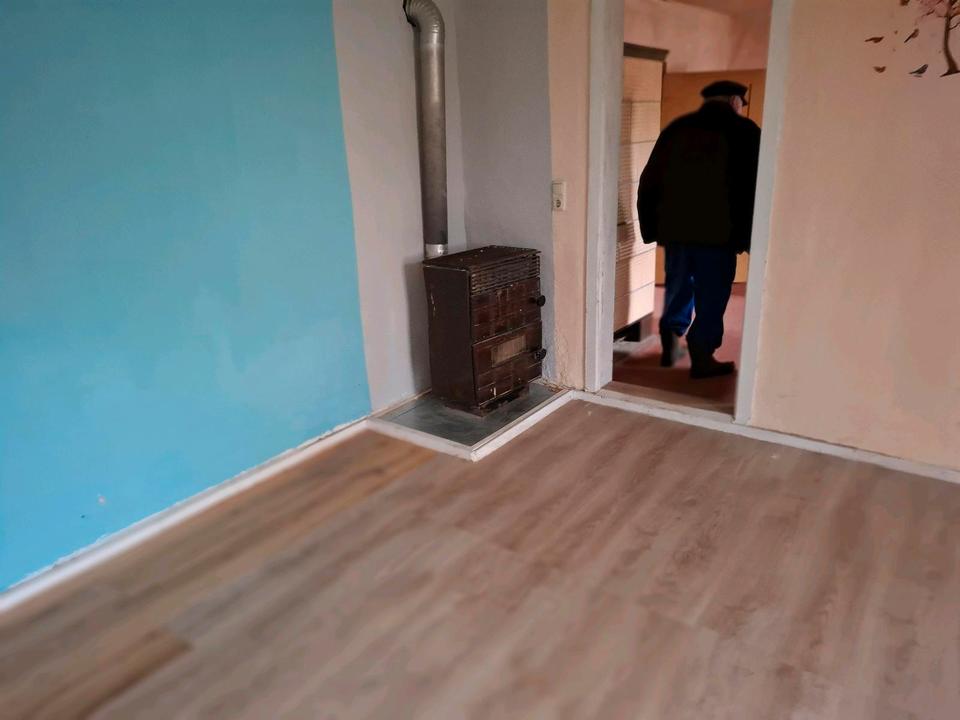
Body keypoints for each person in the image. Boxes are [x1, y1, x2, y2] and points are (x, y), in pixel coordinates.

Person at [637, 80, 761, 379]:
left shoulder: (677, 128)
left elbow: (650, 179)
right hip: (720, 234)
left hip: (677, 230)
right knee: (712, 295)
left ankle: (670, 344)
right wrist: (751, 235)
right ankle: (702, 356)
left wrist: (651, 227)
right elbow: (756, 185)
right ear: (734, 101)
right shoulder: (746, 132)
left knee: (679, 287)